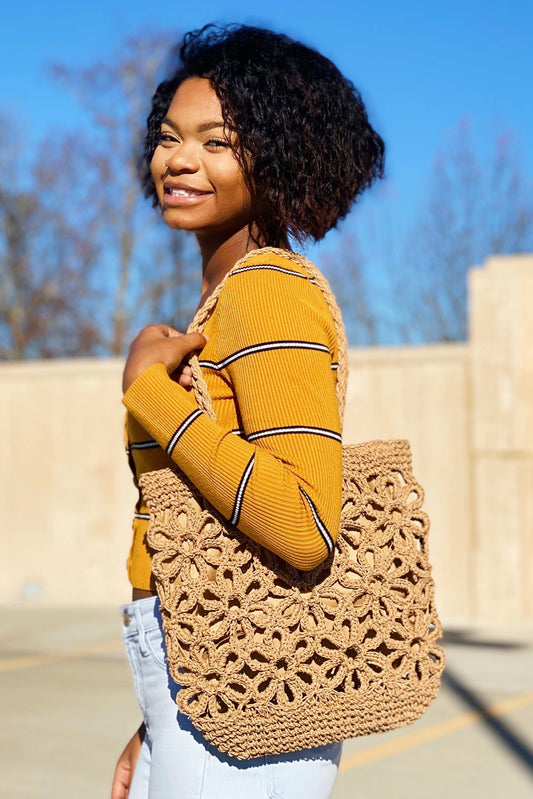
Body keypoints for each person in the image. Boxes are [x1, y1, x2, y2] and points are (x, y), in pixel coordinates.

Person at [112, 23, 384, 799]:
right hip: (204, 680)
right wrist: (155, 716)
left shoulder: (267, 291)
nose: (179, 160)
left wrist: (152, 396)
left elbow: (301, 525)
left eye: (217, 141)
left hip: (242, 705)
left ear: (279, 158)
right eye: (168, 138)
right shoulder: (222, 301)